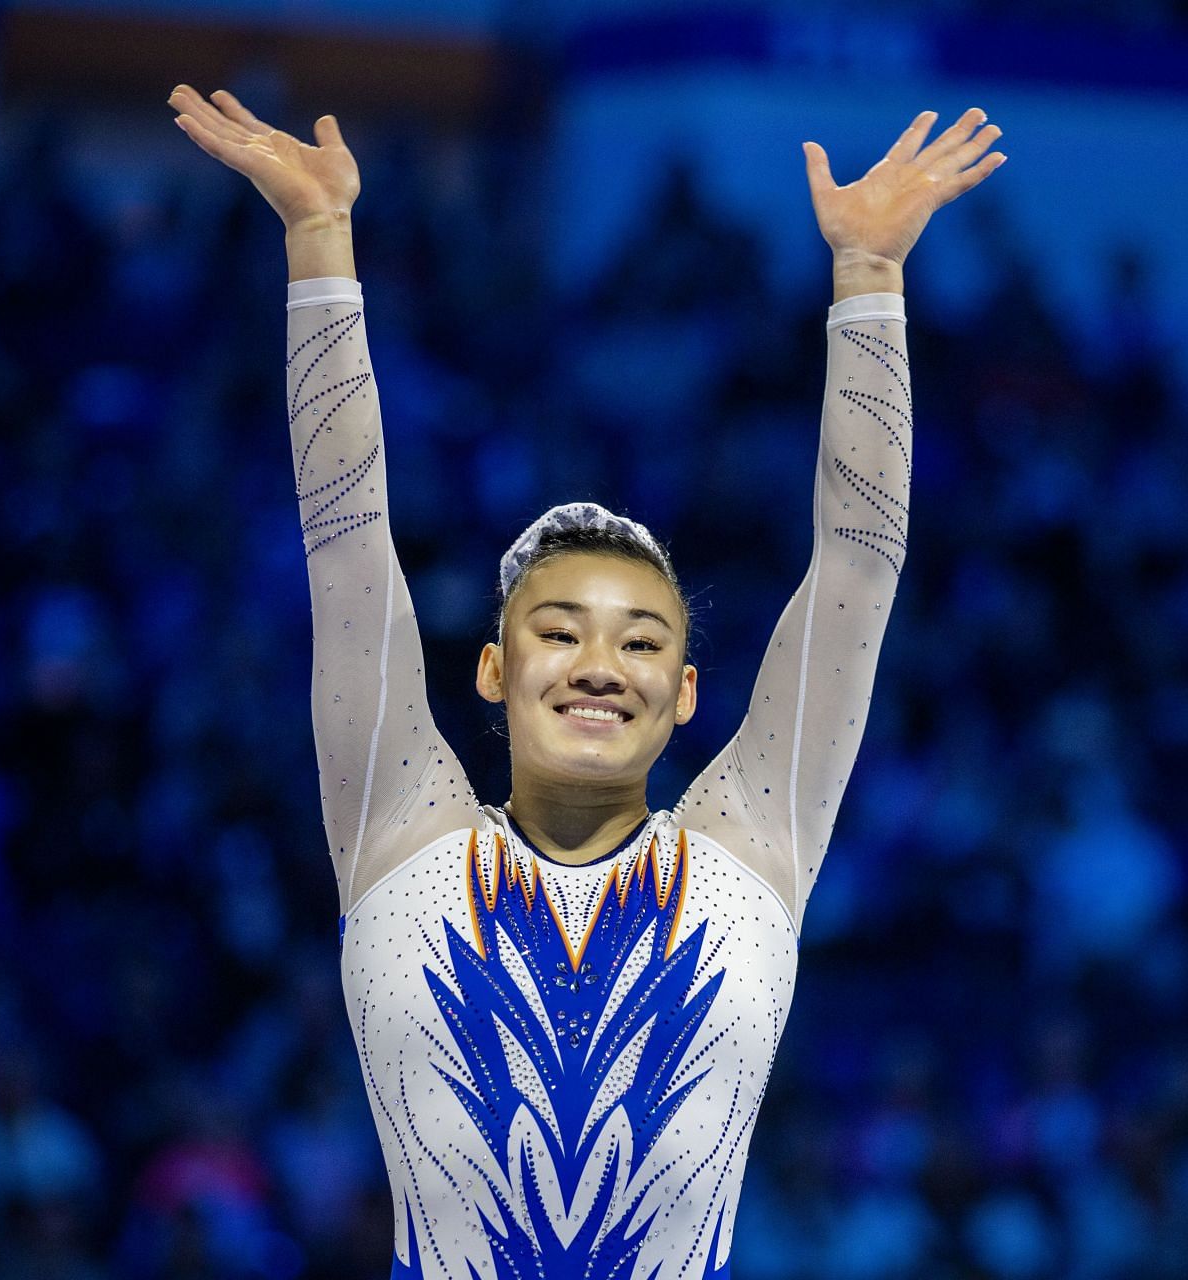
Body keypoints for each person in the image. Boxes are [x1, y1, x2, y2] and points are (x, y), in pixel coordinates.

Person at [169, 83, 1005, 1278]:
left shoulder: (751, 846)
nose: (601, 664)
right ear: (496, 670)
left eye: (643, 642)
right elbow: (345, 538)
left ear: (687, 696)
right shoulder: (398, 829)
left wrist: (869, 276)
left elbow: (859, 568)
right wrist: (318, 246)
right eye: (560, 631)